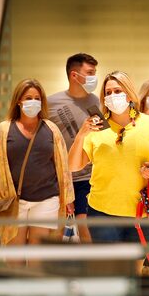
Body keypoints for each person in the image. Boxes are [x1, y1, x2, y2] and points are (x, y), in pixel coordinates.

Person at [68, 70, 149, 248]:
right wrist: (80, 135)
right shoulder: (97, 127)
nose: (113, 96)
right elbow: (73, 166)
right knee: (110, 269)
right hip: (102, 211)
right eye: (108, 93)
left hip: (144, 210)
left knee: (134, 269)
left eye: (117, 91)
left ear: (129, 94)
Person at [0, 79, 75, 246]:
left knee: (38, 259)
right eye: (28, 98)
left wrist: (69, 198)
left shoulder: (51, 129)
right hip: (14, 202)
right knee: (14, 259)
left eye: (37, 98)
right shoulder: (4, 129)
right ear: (19, 101)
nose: (33, 102)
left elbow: (63, 167)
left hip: (46, 199)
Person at [48, 53, 100, 243]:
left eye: (95, 72)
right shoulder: (51, 103)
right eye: (90, 72)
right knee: (56, 232)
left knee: (87, 229)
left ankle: (92, 271)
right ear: (74, 75)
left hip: (89, 176)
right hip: (60, 178)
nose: (94, 77)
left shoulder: (98, 102)